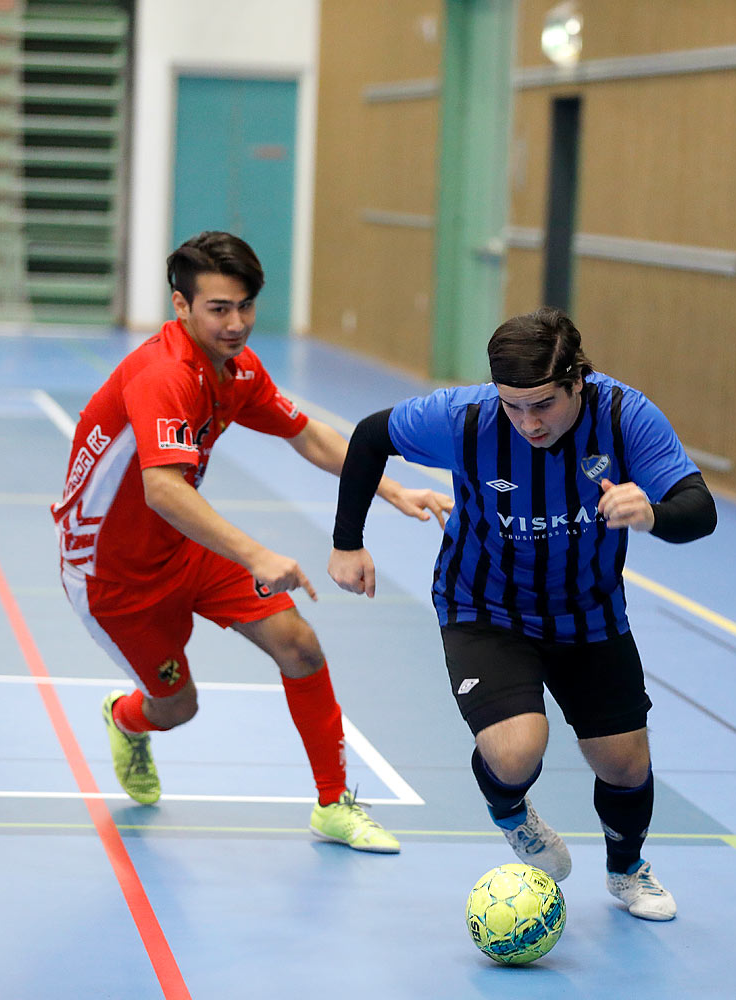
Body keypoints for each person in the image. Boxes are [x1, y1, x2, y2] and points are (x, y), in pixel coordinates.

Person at [52, 230, 452, 853]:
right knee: (176, 707)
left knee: (299, 646)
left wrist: (391, 489)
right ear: (180, 307)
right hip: (113, 574)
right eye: (218, 309)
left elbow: (308, 435)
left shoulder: (237, 369)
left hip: (187, 546)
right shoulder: (164, 375)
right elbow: (162, 488)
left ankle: (333, 804)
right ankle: (124, 718)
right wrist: (257, 553)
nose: (236, 324)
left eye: (245, 307)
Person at [327, 306, 716, 919]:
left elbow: (700, 507)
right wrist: (348, 541)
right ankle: (511, 812)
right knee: (515, 751)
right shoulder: (465, 418)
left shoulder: (624, 416)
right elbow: (373, 435)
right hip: (484, 605)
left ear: (577, 382)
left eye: (543, 405)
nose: (528, 422)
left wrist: (654, 516)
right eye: (514, 405)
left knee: (623, 762)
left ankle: (626, 871)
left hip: (588, 611)